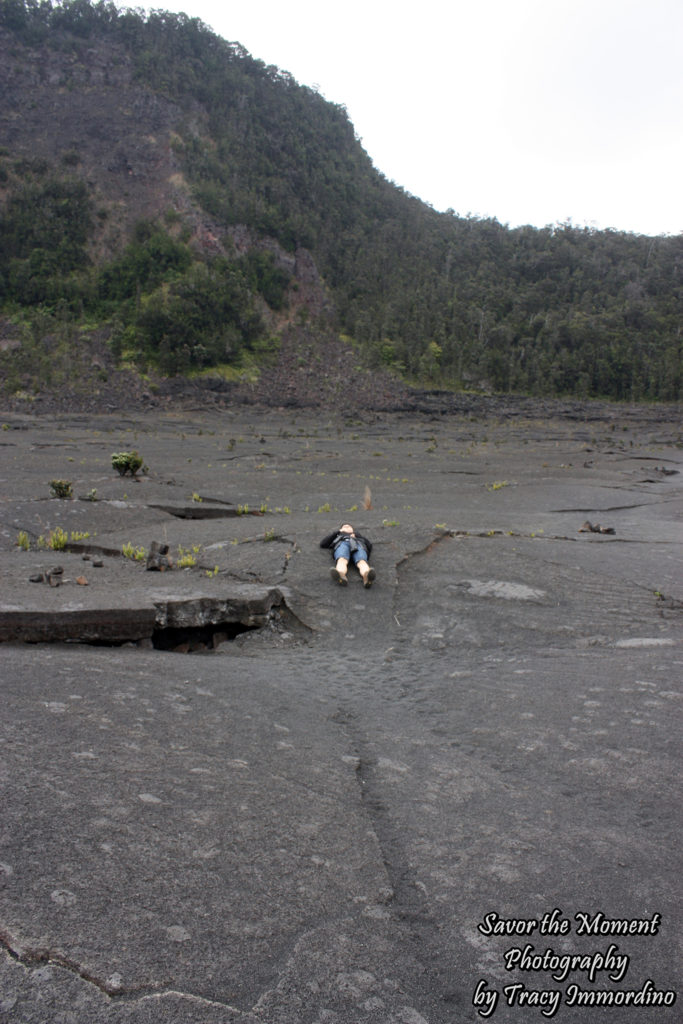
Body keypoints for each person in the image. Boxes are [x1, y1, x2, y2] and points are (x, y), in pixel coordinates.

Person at [320, 523, 376, 587]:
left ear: (352, 529)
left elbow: (369, 545)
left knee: (362, 561)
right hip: (343, 543)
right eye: (345, 527)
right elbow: (323, 544)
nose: (347, 527)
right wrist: (337, 532)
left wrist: (358, 536)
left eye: (349, 527)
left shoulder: (357, 535)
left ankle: (367, 576)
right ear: (341, 529)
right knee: (342, 559)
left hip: (358, 544)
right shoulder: (338, 535)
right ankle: (341, 575)